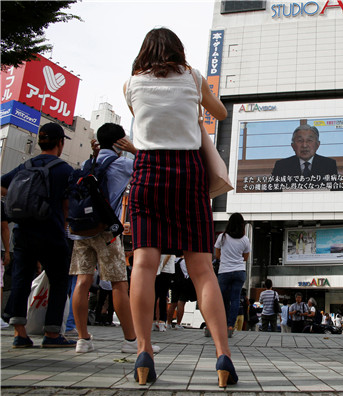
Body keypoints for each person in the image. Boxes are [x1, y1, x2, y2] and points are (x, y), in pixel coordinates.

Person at [124, 28, 235, 387]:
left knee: (144, 264)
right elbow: (219, 112)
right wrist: (197, 102)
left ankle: (144, 351)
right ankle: (223, 356)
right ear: (179, 52)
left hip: (147, 173)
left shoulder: (131, 83)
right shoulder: (193, 76)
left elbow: (142, 118)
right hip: (187, 172)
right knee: (202, 268)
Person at [70, 123, 160, 354]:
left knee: (82, 282)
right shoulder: (122, 164)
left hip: (81, 230)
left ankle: (83, 339)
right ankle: (131, 341)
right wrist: (134, 149)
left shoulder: (88, 163)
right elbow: (153, 166)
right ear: (120, 141)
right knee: (120, 283)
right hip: (106, 232)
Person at [1, 122, 76, 348]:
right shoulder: (64, 170)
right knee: (59, 281)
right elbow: (66, 206)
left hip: (23, 232)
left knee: (21, 279)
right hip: (51, 233)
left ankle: (19, 333)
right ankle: (52, 335)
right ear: (60, 143)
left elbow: (3, 186)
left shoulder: (25, 166)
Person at [215, 213, 250, 338]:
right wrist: (236, 259)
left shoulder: (222, 237)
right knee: (235, 299)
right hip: (239, 271)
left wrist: (225, 259)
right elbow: (246, 257)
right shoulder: (245, 239)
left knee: (223, 299)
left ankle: (222, 324)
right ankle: (230, 326)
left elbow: (217, 254)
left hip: (224, 271)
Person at [271, 125, 337, 181]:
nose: (304, 145)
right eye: (300, 141)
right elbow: (270, 194)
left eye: (309, 140)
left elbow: (337, 193)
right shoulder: (281, 166)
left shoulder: (329, 165)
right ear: (293, 146)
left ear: (317, 145)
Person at [154, 255, 175, 332]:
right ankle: (162, 321)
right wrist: (161, 266)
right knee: (162, 296)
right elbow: (169, 254)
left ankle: (154, 321)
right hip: (165, 270)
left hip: (157, 268)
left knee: (155, 295)